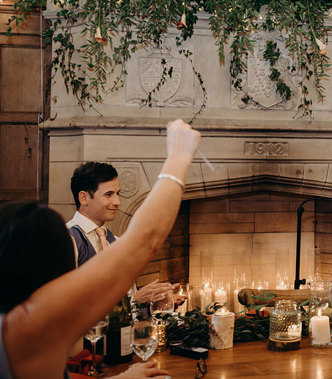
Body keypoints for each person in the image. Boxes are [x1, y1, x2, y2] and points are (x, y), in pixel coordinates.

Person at [0, 119, 200, 378]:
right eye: (109, 194)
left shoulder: (15, 327)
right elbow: (144, 239)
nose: (116, 202)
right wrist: (179, 157)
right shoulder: (26, 329)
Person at [67, 161, 180, 304]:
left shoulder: (115, 241)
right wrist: (135, 300)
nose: (117, 201)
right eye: (109, 194)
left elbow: (130, 299)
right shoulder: (67, 240)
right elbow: (66, 304)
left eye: (117, 193)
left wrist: (153, 302)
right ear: (84, 198)